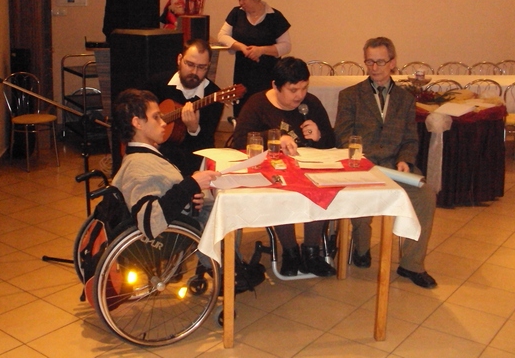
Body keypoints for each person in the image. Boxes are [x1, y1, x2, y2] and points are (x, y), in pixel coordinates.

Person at [333, 37, 438, 289]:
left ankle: (411, 264)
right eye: (369, 61)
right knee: (361, 198)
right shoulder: (350, 96)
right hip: (362, 164)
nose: (374, 67)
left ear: (392, 62)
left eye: (380, 62)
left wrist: (405, 160)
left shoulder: (405, 99)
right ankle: (360, 247)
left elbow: (410, 139)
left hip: (394, 165)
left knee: (425, 195)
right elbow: (342, 135)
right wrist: (364, 158)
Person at [232, 57, 336, 277]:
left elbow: (332, 143)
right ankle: (290, 252)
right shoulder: (258, 104)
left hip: (308, 170)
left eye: (304, 88)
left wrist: (319, 136)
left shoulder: (311, 104)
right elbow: (240, 140)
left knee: (322, 188)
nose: (300, 95)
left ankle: (311, 252)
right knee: (279, 192)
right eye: (293, 90)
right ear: (275, 86)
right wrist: (275, 138)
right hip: (273, 173)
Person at [111, 88, 220, 240]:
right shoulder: (138, 167)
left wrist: (189, 196)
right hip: (172, 234)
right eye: (156, 117)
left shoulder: (142, 155)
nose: (163, 123)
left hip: (181, 217)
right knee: (225, 209)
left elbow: (165, 192)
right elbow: (150, 221)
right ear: (137, 123)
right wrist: (191, 184)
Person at [145, 39, 223, 176]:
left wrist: (194, 129)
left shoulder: (214, 96)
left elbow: (206, 144)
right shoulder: (157, 84)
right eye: (190, 64)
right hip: (156, 153)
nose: (194, 72)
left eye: (202, 67)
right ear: (179, 59)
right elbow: (137, 115)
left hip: (191, 158)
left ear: (208, 66)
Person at [217, 0, 291, 116]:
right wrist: (242, 47)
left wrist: (261, 50)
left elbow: (286, 46)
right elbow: (222, 36)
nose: (241, 3)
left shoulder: (275, 16)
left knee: (266, 110)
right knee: (243, 111)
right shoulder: (236, 13)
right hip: (243, 72)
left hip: (268, 73)